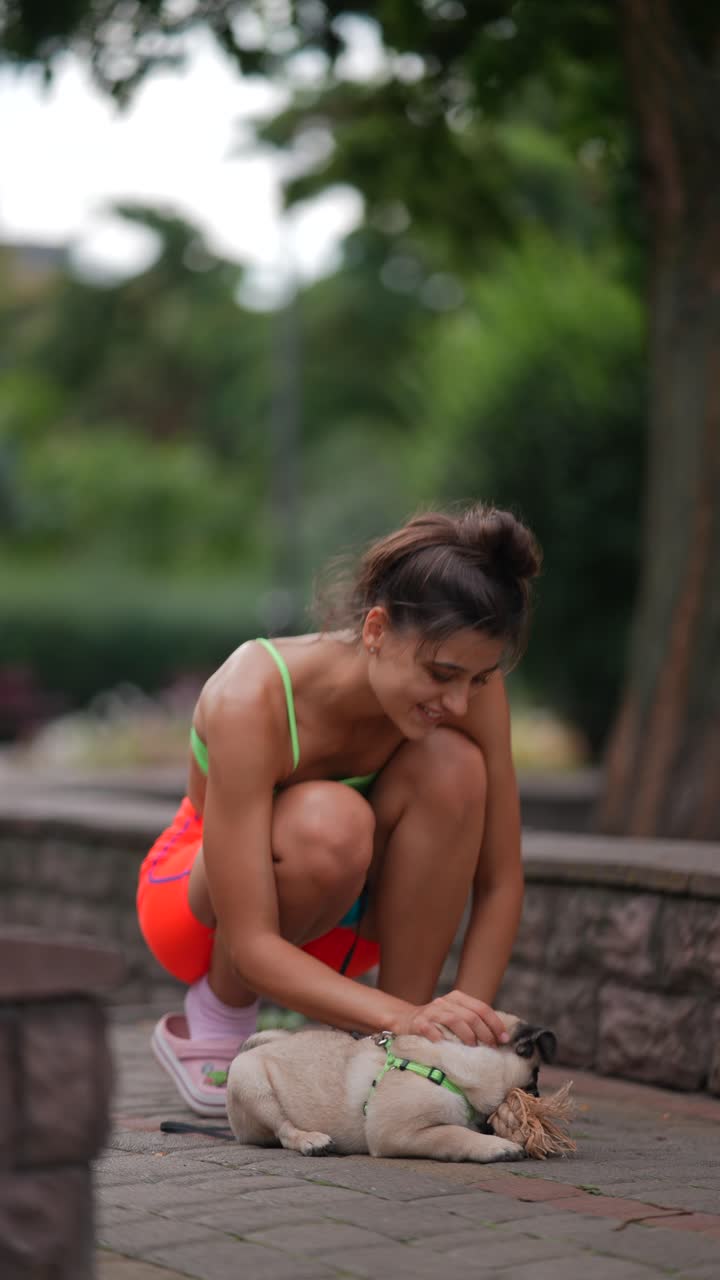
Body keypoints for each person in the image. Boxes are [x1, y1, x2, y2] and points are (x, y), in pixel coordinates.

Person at [137, 503, 542, 1116]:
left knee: (456, 766)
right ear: (376, 630)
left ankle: (393, 1054)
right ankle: (219, 1014)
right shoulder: (254, 693)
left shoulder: (468, 681)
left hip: (342, 917)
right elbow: (251, 942)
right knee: (332, 821)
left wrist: (460, 1032)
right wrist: (410, 1016)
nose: (460, 701)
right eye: (442, 675)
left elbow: (500, 881)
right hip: (207, 915)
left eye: (479, 681)